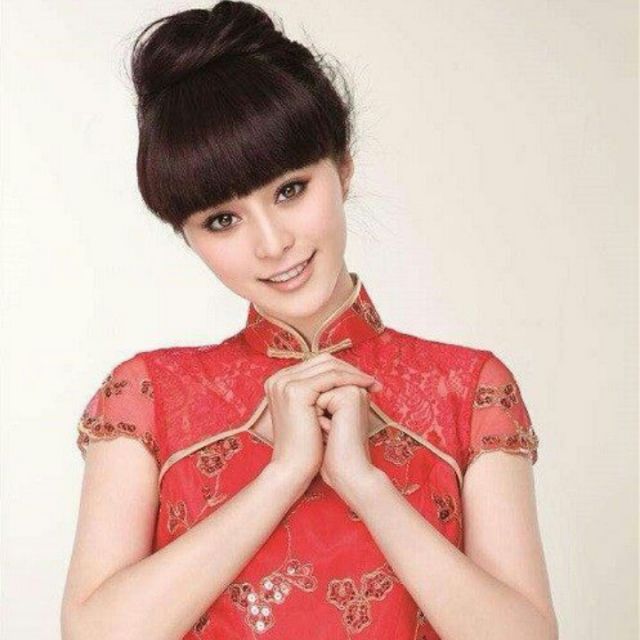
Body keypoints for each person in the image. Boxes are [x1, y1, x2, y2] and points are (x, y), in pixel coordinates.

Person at [61, 2, 558, 639]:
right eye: (222, 220)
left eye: (290, 190)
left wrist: (365, 484)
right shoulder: (147, 395)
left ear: (342, 168)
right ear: (187, 235)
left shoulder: (467, 390)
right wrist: (284, 473)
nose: (272, 244)